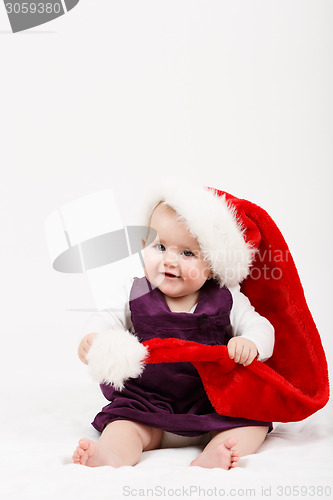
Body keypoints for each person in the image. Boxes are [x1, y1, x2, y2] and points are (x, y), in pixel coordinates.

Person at [72, 186, 274, 470]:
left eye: (188, 252)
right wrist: (94, 339)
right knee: (123, 425)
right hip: (145, 403)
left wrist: (252, 342)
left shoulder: (227, 298)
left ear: (213, 263)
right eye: (160, 246)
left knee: (253, 424)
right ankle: (112, 455)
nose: (169, 260)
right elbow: (108, 318)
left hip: (211, 402)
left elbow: (261, 326)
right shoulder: (133, 293)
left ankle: (214, 453)